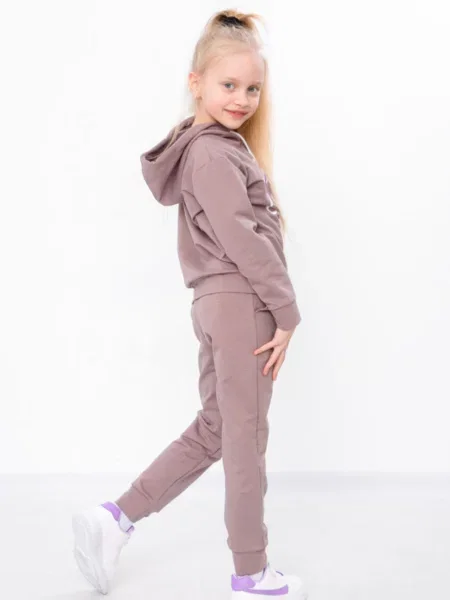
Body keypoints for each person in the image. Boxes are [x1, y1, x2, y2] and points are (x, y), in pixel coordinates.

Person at [72, 8, 307, 599]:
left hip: (217, 303)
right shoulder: (213, 153)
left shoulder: (208, 149)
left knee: (218, 428)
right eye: (229, 84)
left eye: (253, 88)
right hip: (242, 302)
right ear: (195, 83)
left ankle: (115, 518)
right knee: (245, 439)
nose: (242, 99)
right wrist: (286, 310)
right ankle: (250, 572)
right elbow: (243, 238)